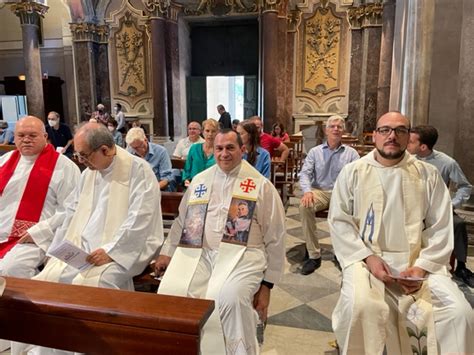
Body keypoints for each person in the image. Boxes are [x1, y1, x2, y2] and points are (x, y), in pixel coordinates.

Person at [329, 112, 474, 354]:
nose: (392, 136)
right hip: (368, 263)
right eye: (385, 130)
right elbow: (340, 221)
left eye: (400, 130)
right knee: (361, 307)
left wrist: (422, 266)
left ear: (409, 137)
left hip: (418, 264)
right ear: (374, 136)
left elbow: (441, 225)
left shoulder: (427, 174)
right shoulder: (353, 172)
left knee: (460, 313)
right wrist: (368, 257)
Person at [17, 122, 163, 355]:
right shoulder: (89, 174)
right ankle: (54, 349)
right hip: (85, 250)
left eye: (84, 155)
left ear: (105, 150)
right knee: (47, 280)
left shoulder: (138, 170)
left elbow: (140, 218)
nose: (80, 161)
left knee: (87, 286)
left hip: (125, 250)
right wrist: (44, 234)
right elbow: (70, 211)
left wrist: (111, 250)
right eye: (78, 155)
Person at [155, 129, 285, 355]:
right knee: (171, 290)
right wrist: (167, 252)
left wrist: (267, 286)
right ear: (212, 150)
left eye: (230, 148)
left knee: (229, 298)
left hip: (244, 256)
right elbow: (182, 221)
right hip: (201, 255)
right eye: (219, 148)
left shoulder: (259, 185)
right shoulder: (200, 181)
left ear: (242, 150)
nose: (224, 153)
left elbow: (276, 237)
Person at [0, 116, 80, 279]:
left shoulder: (64, 167)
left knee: (12, 269)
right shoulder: (4, 161)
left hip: (35, 237)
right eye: (21, 136)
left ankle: (24, 304)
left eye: (32, 135)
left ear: (45, 137)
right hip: (3, 231)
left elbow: (72, 209)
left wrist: (40, 232)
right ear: (14, 138)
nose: (26, 140)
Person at [408, 125, 474, 287]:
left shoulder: (446, 162)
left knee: (457, 224)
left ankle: (461, 267)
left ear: (422, 146)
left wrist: (451, 204)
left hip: (436, 209)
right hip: (410, 208)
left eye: (410, 142)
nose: (406, 144)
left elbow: (465, 187)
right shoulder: (406, 159)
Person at [299, 115, 359, 275]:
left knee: (353, 210)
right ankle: (313, 255)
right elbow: (304, 174)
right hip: (319, 191)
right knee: (305, 206)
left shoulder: (351, 154)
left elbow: (358, 176)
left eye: (339, 126)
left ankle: (344, 253)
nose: (336, 129)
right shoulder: (315, 152)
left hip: (342, 193)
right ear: (326, 130)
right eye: (332, 126)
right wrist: (307, 191)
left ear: (343, 130)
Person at [182, 118, 219, 187]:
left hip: (213, 187)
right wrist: (186, 180)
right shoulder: (194, 148)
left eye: (213, 131)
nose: (210, 134)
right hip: (193, 185)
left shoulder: (220, 150)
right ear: (202, 132)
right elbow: (187, 168)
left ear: (218, 133)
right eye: (207, 131)